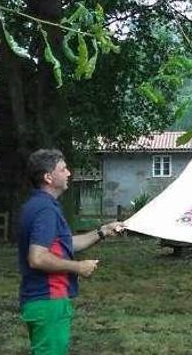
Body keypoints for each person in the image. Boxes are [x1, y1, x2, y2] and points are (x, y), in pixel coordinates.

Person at [18, 148, 124, 354]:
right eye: (63, 169)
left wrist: (102, 231)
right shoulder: (45, 210)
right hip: (48, 300)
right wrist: (78, 267)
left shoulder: (38, 205)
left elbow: (65, 244)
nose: (69, 173)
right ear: (48, 177)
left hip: (41, 301)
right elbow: (37, 258)